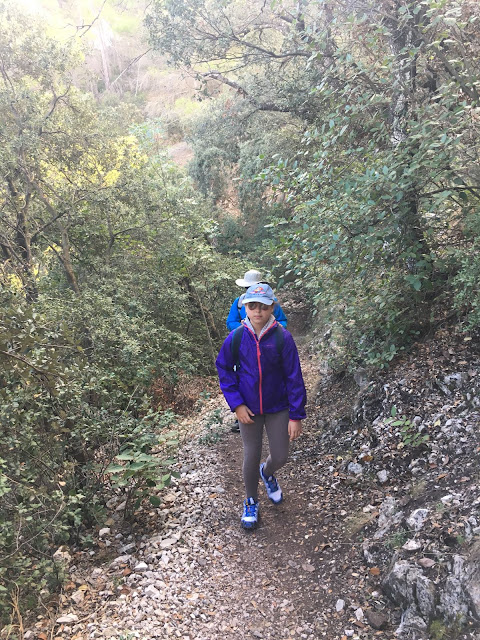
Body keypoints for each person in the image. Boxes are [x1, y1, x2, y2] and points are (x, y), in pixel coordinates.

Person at [216, 283, 306, 530]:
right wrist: (237, 405)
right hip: (249, 409)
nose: (257, 311)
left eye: (263, 307)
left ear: (272, 308)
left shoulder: (282, 337)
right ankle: (250, 500)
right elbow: (224, 369)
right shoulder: (236, 337)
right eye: (252, 306)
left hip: (278, 406)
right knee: (250, 453)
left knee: (280, 455)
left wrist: (296, 415)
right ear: (244, 307)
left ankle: (267, 473)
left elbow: (294, 377)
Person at [226, 269, 288, 433]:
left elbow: (282, 320)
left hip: (268, 345)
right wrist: (243, 329)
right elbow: (230, 322)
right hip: (244, 346)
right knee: (241, 376)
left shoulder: (271, 302)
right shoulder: (239, 302)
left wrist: (275, 331)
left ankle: (271, 413)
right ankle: (241, 414)